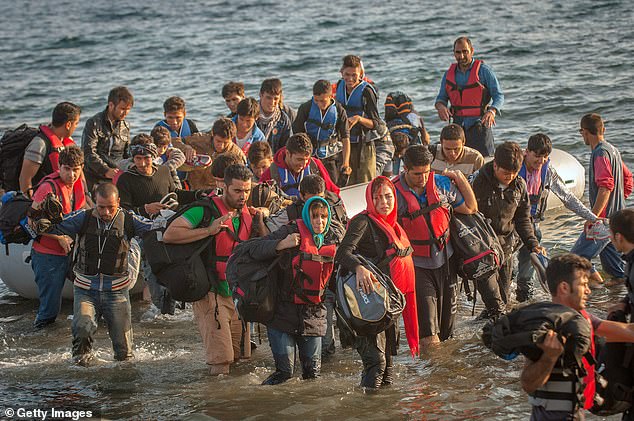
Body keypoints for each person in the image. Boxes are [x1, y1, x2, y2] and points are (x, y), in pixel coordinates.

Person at [163, 164, 259, 375]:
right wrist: (209, 230)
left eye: (247, 190)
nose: (243, 196)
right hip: (211, 293)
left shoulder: (247, 212)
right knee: (221, 362)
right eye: (237, 191)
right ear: (223, 186)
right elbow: (170, 234)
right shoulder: (204, 210)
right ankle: (215, 404)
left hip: (237, 294)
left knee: (239, 359)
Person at [47, 183, 152, 365]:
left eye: (111, 207)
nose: (106, 212)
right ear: (94, 202)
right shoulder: (83, 218)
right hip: (85, 290)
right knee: (82, 328)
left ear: (118, 202)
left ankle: (123, 382)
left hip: (117, 291)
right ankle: (81, 367)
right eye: (101, 207)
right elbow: (55, 226)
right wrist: (41, 215)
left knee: (123, 351)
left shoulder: (129, 220)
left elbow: (156, 229)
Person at [520, 253, 634, 420]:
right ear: (564, 287)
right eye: (583, 284)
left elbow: (627, 332)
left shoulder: (581, 320)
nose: (588, 290)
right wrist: (549, 358)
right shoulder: (546, 325)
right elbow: (528, 384)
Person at [237, 196, 338, 384]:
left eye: (323, 217)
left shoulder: (332, 238)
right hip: (282, 314)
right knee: (284, 374)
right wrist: (282, 244)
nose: (319, 221)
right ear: (307, 216)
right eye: (314, 216)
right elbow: (253, 248)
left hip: (313, 316)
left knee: (312, 376)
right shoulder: (289, 231)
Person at [336, 176, 419, 388]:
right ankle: (365, 410)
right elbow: (342, 253)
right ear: (370, 200)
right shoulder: (362, 222)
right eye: (378, 198)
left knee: (389, 366)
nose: (384, 202)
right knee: (376, 363)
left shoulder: (394, 225)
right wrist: (359, 267)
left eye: (388, 196)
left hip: (389, 304)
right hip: (368, 304)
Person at [394, 145, 478, 345]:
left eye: (426, 172)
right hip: (417, 266)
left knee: (447, 332)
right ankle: (430, 371)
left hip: (446, 261)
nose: (422, 178)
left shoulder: (441, 184)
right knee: (429, 334)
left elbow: (470, 208)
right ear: (405, 169)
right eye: (416, 174)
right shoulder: (394, 193)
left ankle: (443, 373)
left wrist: (459, 179)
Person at [116, 134, 202, 314]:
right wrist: (146, 208)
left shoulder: (163, 171)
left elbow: (176, 194)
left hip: (167, 227)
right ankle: (161, 308)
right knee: (152, 269)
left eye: (146, 158)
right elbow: (122, 213)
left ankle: (181, 299)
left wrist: (198, 195)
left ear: (153, 157)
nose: (142, 163)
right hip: (142, 234)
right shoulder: (125, 179)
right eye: (137, 158)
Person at [516, 133, 599, 301]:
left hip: (533, 226)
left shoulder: (547, 170)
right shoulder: (515, 168)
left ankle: (523, 302)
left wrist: (591, 217)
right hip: (511, 226)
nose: (540, 162)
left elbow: (567, 197)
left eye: (544, 157)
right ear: (527, 152)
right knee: (507, 268)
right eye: (537, 156)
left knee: (527, 273)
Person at [472, 141, 544, 317]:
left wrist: (533, 243)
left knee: (502, 300)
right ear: (495, 165)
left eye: (514, 174)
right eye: (505, 173)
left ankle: (487, 335)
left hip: (506, 247)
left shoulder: (519, 185)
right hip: (482, 249)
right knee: (493, 300)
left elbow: (523, 219)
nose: (509, 177)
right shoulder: (478, 182)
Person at [29, 146, 88, 329]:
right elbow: (30, 223)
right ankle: (37, 342)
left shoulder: (78, 184)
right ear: (59, 167)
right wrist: (59, 238)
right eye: (67, 169)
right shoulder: (48, 188)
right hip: (47, 255)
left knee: (89, 296)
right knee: (49, 310)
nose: (71, 175)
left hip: (70, 253)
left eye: (76, 169)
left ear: (81, 168)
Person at [571, 113, 633, 285]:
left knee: (576, 259)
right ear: (602, 129)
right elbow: (628, 180)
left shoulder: (600, 154)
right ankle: (613, 298)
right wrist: (618, 200)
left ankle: (592, 293)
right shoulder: (613, 151)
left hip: (603, 221)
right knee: (618, 273)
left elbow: (606, 187)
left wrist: (593, 217)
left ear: (584, 132)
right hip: (615, 220)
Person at [434, 36, 504, 157]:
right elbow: (441, 98)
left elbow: (498, 96)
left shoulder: (484, 71)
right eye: (458, 52)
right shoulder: (448, 74)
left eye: (465, 52)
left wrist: (492, 111)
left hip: (480, 126)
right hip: (457, 128)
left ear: (472, 50)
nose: (461, 56)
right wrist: (441, 107)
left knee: (484, 162)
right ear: (454, 53)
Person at [335, 55, 384, 184]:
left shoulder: (367, 92)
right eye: (347, 74)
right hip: (344, 144)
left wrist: (359, 119)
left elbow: (376, 124)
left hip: (364, 145)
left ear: (360, 74)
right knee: (345, 182)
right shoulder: (339, 86)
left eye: (354, 75)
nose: (350, 79)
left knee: (365, 182)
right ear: (341, 72)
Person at [293, 79, 351, 184]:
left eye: (323, 101)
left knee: (332, 185)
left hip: (330, 156)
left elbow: (345, 137)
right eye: (316, 100)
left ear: (331, 96)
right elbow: (297, 133)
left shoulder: (339, 111)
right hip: (310, 156)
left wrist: (346, 163)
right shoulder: (305, 108)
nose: (319, 104)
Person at [20, 102, 82, 197]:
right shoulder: (39, 145)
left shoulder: (67, 142)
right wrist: (31, 204)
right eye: (76, 123)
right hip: (42, 199)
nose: (76, 127)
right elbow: (25, 179)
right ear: (68, 124)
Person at [82, 86, 134, 190]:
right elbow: (88, 152)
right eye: (122, 109)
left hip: (117, 176)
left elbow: (127, 154)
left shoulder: (125, 126)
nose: (125, 113)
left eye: (128, 109)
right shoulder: (94, 123)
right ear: (111, 105)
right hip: (95, 177)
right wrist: (105, 170)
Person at [260, 133, 340, 198]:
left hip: (314, 215)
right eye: (299, 159)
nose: (303, 164)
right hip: (285, 215)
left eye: (306, 159)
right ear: (288, 153)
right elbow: (260, 197)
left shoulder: (315, 165)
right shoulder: (272, 172)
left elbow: (333, 192)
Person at [175, 117, 246, 190]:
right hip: (192, 188)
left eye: (225, 142)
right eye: (218, 141)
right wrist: (186, 147)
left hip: (216, 192)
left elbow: (241, 181)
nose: (221, 145)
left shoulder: (237, 155)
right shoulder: (200, 139)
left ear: (232, 138)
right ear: (213, 134)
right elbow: (173, 141)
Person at [256, 78, 292, 153]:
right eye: (268, 98)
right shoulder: (250, 115)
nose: (272, 102)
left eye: (276, 98)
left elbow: (286, 148)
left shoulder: (283, 120)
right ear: (260, 95)